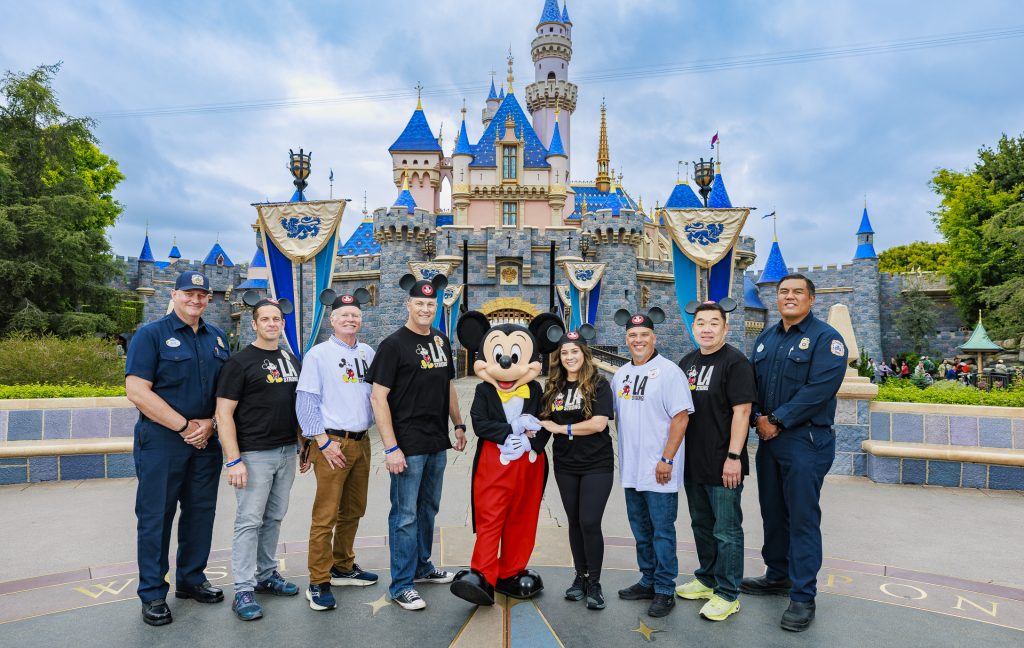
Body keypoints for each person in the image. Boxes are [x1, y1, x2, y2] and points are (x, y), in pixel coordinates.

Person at [742, 274, 847, 632]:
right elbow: (752, 386)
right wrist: (758, 417)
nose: (789, 296)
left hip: (806, 440)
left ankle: (803, 596)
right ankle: (778, 575)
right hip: (769, 440)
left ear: (811, 299)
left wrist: (776, 420)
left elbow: (819, 390)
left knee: (802, 518)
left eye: (797, 292)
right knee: (772, 512)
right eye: (783, 291)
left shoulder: (826, 339)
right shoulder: (765, 339)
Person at [125, 270, 230, 627]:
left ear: (209, 299)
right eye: (189, 293)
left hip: (206, 440)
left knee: (201, 512)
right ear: (174, 295)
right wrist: (185, 427)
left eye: (202, 295)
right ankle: (153, 593)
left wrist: (210, 424)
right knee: (156, 516)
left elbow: (225, 392)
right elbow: (137, 391)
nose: (196, 299)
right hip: (163, 441)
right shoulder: (151, 335)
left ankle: (191, 579)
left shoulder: (218, 338)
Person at [366, 274, 467, 611]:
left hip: (437, 441)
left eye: (430, 304)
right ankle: (401, 584)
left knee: (428, 509)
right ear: (408, 305)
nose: (425, 308)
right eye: (420, 303)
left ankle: (422, 565)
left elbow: (448, 385)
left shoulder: (440, 340)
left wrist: (458, 424)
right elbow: (378, 398)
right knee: (405, 515)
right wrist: (390, 447)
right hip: (407, 445)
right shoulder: (393, 345)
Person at [215, 294, 303, 621]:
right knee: (249, 521)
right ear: (254, 324)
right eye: (265, 319)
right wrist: (233, 459)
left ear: (282, 324)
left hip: (286, 451)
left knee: (274, 517)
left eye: (276, 319)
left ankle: (266, 575)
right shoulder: (239, 363)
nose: (271, 324)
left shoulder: (290, 359)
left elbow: (297, 406)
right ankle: (243, 588)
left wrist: (302, 445)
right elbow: (223, 414)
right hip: (253, 454)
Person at [295, 289, 378, 612]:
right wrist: (323, 442)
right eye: (344, 315)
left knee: (354, 509)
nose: (350, 319)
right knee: (325, 515)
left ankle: (343, 565)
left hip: (362, 440)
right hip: (332, 442)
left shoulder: (368, 352)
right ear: (332, 319)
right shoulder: (318, 355)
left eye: (355, 315)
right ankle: (318, 580)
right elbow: (306, 402)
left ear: (361, 319)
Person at [675, 301, 756, 622]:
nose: (706, 329)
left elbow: (743, 412)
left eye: (713, 323)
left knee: (726, 530)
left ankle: (728, 593)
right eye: (701, 323)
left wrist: (734, 457)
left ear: (726, 328)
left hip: (724, 462)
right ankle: (707, 579)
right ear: (693, 327)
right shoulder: (687, 363)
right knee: (702, 524)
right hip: (693, 462)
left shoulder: (735, 363)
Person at [612, 308, 693, 619]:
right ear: (626, 339)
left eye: (644, 334)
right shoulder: (620, 375)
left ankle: (664, 588)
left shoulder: (669, 372)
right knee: (641, 530)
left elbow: (681, 418)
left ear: (654, 338)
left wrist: (667, 458)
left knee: (662, 531)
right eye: (633, 335)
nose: (638, 340)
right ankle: (647, 579)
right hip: (632, 470)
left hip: (660, 469)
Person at [538, 327, 615, 611]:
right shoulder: (553, 387)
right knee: (574, 522)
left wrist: (563, 428)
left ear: (584, 353)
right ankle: (580, 577)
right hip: (566, 464)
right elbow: (543, 423)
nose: (570, 357)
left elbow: (599, 423)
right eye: (564, 353)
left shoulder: (599, 384)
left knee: (590, 522)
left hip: (597, 463)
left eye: (575, 351)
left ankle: (595, 582)